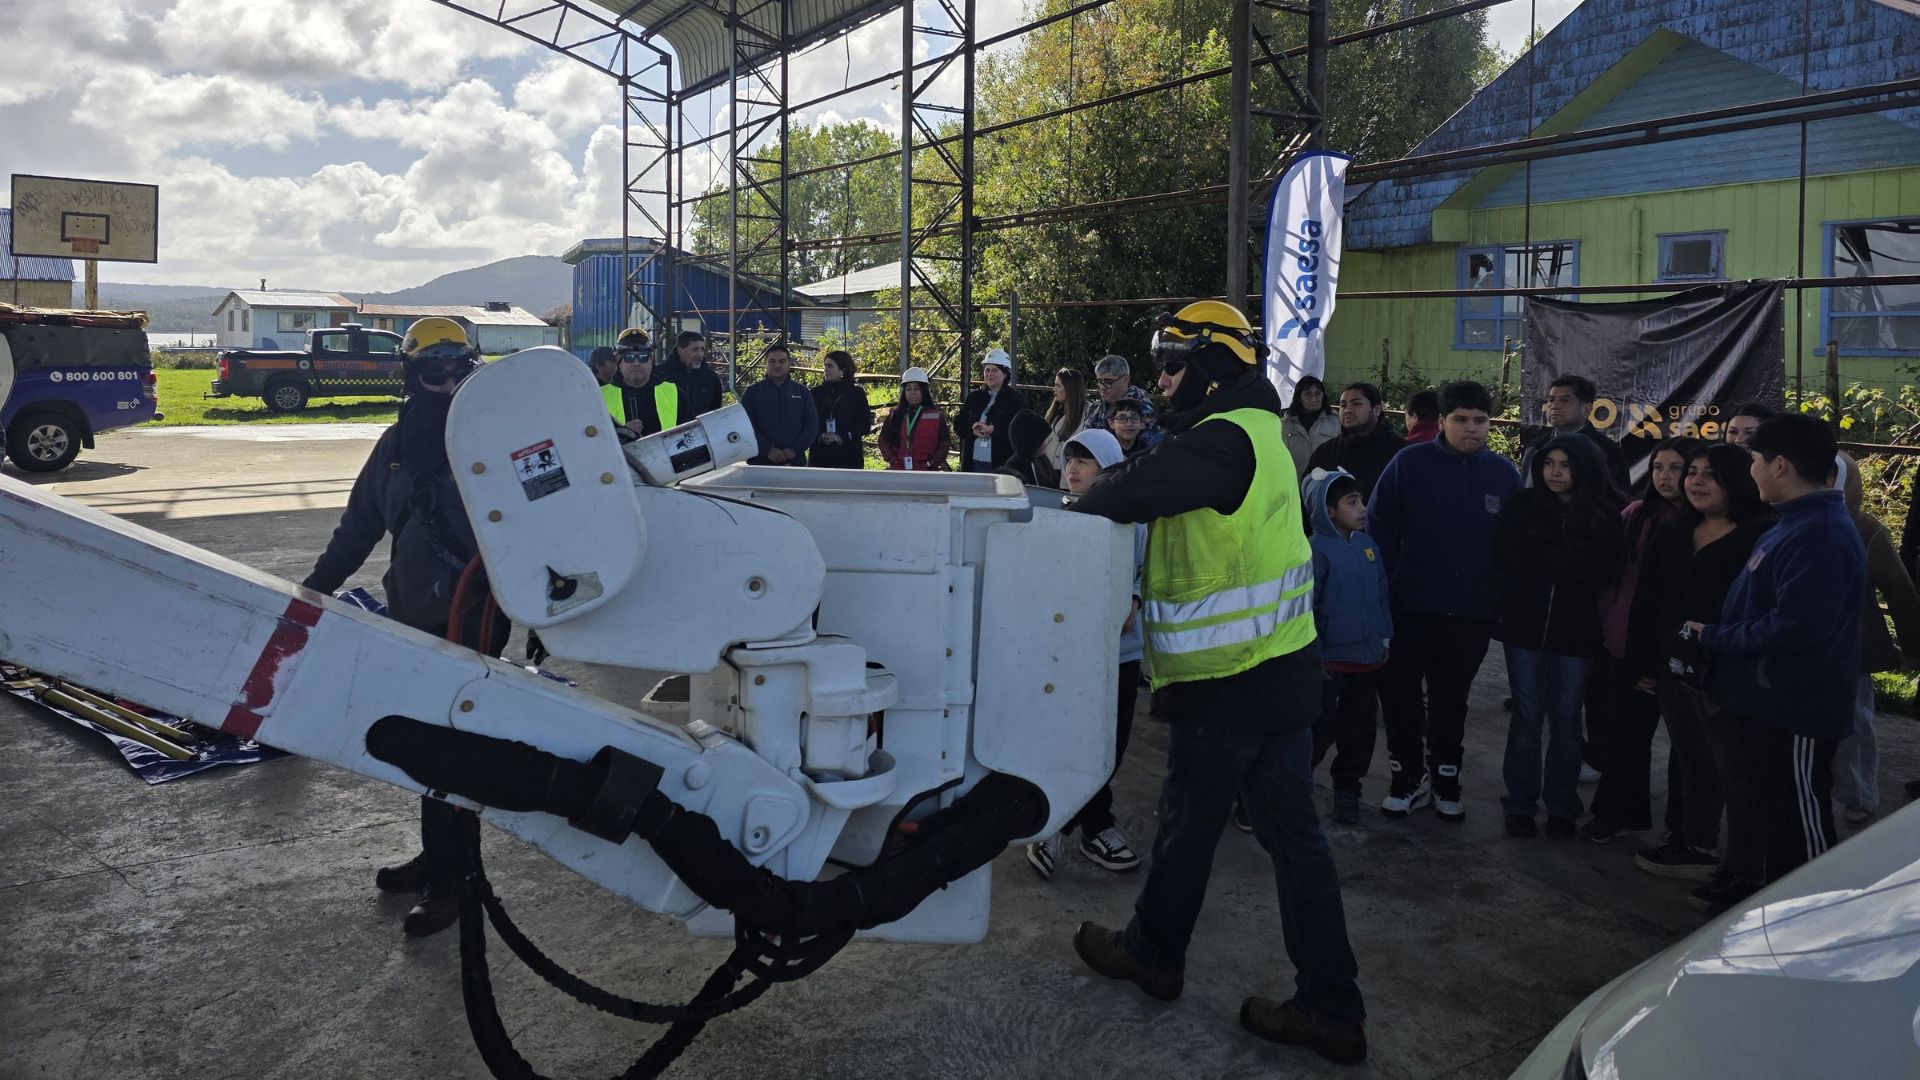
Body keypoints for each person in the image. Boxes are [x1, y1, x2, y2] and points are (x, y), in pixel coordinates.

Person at [1066, 301, 1365, 1066]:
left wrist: (1074, 503)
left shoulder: (1225, 439)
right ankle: (1326, 1003)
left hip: (1232, 679)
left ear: (1213, 363)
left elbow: (1124, 492)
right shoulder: (1258, 430)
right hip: (1279, 669)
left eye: (1173, 361)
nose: (1161, 377)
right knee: (1271, 837)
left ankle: (1159, 955)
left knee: (1193, 825)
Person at [300, 316, 505, 939]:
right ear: (412, 379)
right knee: (423, 745)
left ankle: (454, 879)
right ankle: (436, 855)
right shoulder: (395, 449)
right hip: (412, 613)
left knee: (457, 749)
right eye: (433, 375)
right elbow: (358, 525)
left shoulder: (497, 443)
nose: (447, 387)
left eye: (459, 373)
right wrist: (314, 590)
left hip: (474, 616)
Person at [1687, 413, 1865, 914]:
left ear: (1780, 464)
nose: (1752, 472)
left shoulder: (1820, 533)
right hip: (1766, 702)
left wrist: (1718, 637)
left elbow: (1798, 628)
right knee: (1774, 816)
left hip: (1796, 708)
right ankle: (1771, 904)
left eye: (1755, 461)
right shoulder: (1794, 523)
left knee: (1801, 822)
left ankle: (1811, 918)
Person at [1368, 380, 1521, 821]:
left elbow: (1510, 547)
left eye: (1480, 421)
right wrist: (1394, 581)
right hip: (1409, 608)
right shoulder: (1408, 463)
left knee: (1451, 700)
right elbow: (1379, 527)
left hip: (1470, 615)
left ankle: (1446, 779)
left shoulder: (1503, 474)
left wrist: (1496, 600)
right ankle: (1407, 777)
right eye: (1461, 420)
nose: (1471, 428)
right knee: (1400, 697)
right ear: (1443, 421)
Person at [1626, 445, 1774, 883]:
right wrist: (1643, 661)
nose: (1696, 481)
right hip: (1675, 669)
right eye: (1693, 473)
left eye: (1711, 474)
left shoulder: (1761, 535)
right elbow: (1648, 599)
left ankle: (1746, 866)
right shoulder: (1675, 530)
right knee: (1692, 759)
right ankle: (1695, 843)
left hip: (1729, 674)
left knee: (1737, 771)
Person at [1026, 428, 1145, 877]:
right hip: (1066, 653)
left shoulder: (1134, 519)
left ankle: (1076, 824)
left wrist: (1133, 598)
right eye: (1069, 460)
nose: (1073, 469)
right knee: (1068, 740)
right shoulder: (1051, 516)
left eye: (1085, 461)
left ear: (1109, 468)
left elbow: (1146, 571)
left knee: (1108, 746)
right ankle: (1066, 825)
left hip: (1119, 655)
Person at [1495, 436, 1625, 840]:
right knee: (1527, 717)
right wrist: (1564, 564)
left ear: (1583, 469)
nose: (1554, 471)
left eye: (1564, 465)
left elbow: (1604, 571)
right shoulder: (1523, 505)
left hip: (1577, 636)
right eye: (1548, 463)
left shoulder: (1606, 515)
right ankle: (1520, 803)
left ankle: (1562, 806)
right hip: (1524, 631)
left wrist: (1547, 562)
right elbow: (1508, 558)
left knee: (1567, 721)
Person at [1582, 436, 1700, 844]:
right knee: (1625, 738)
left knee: (1688, 749)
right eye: (1658, 468)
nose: (1666, 477)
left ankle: (1684, 828)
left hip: (1678, 653)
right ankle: (1617, 814)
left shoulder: (1707, 524)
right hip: (1625, 643)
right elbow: (1615, 579)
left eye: (1677, 468)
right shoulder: (1635, 514)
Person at [1833, 452, 1920, 825]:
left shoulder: (1865, 528)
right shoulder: (1779, 522)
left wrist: (1914, 647)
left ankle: (1860, 793)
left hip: (1853, 648)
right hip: (1800, 648)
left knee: (1854, 724)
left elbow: (1899, 590)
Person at [1303, 467, 1393, 826]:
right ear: (1327, 510)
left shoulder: (1368, 547)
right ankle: (1295, 785)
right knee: (1317, 729)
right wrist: (1314, 653)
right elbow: (1306, 606)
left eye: (1361, 500)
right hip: (1330, 662)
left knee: (1359, 731)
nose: (1361, 508)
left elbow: (1381, 594)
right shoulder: (1315, 552)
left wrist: (1383, 636)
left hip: (1366, 660)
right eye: (1351, 502)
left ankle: (1348, 789)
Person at [1521, 375, 1629, 492]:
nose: (1555, 406)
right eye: (1551, 400)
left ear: (1586, 409)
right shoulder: (1535, 447)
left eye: (1565, 401)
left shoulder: (1607, 450)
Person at [1306, 382, 1406, 498]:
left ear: (1377, 410)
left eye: (1356, 404)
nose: (1347, 410)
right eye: (1343, 405)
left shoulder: (1400, 453)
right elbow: (1310, 495)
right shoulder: (1326, 451)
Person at [739, 341, 817, 466]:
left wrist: (794, 450)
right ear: (766, 364)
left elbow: (812, 425)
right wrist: (767, 450)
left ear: (789, 364)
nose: (777, 365)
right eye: (772, 361)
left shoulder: (802, 392)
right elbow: (745, 426)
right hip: (760, 462)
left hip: (795, 461)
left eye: (782, 361)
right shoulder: (752, 392)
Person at [606, 328, 685, 438]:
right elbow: (591, 441)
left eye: (643, 357)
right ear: (619, 363)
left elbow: (691, 437)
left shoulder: (673, 393)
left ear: (651, 361)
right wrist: (622, 432)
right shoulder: (600, 397)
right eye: (629, 358)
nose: (636, 363)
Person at [955, 348, 1024, 472]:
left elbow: (1019, 431)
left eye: (994, 370)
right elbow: (959, 424)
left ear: (1005, 373)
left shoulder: (1015, 400)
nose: (989, 374)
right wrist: (972, 431)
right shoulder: (974, 398)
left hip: (1000, 464)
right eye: (987, 370)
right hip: (973, 463)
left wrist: (992, 430)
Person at [877, 367, 950, 471]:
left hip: (925, 471)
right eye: (908, 389)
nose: (912, 393)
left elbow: (944, 444)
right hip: (898, 469)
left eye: (916, 388)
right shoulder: (895, 415)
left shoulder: (936, 417)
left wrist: (931, 463)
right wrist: (892, 459)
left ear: (924, 390)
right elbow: (883, 440)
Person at [810, 349, 872, 469]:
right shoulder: (816, 392)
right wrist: (820, 435)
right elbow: (809, 422)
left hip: (849, 456)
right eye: (825, 365)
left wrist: (843, 437)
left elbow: (864, 425)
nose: (826, 369)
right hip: (820, 456)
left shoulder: (856, 394)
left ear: (842, 370)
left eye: (830, 366)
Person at [1081, 353, 1160, 441]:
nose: (1102, 387)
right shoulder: (1094, 409)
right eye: (1099, 381)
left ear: (1125, 379)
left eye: (1108, 381)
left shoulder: (1142, 409)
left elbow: (1145, 446)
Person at [1281, 374, 1340, 477]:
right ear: (1299, 398)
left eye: (1318, 394)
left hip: (1324, 483)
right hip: (1293, 483)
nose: (1313, 399)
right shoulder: (1284, 424)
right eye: (1307, 394)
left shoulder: (1335, 422)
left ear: (1323, 396)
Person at [661, 330, 726, 416]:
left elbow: (715, 412)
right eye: (695, 350)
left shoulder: (711, 379)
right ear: (680, 350)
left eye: (702, 349)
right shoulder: (661, 376)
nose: (700, 354)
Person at [1041, 367, 1087, 474]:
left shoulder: (1086, 413)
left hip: (1066, 471)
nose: (1054, 389)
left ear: (1070, 388)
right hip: (1047, 468)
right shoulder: (1056, 411)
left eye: (1058, 385)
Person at [997, 410, 1060, 488]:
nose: (1049, 442)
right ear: (1032, 442)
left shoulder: (1043, 461)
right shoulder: (1014, 470)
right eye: (1046, 439)